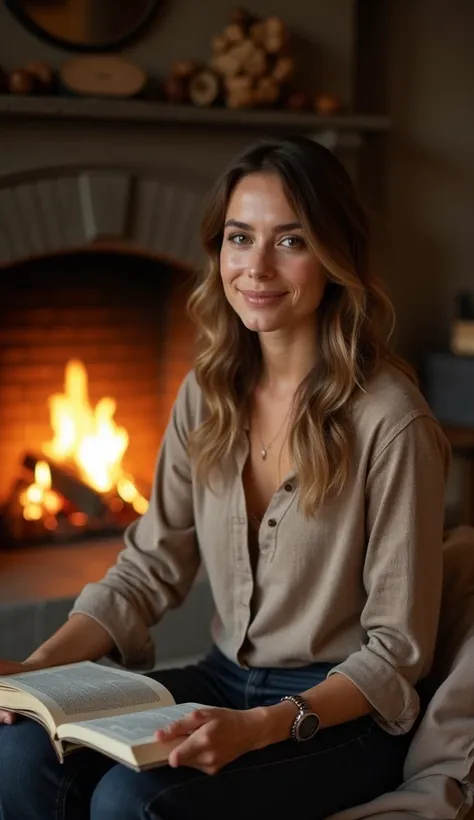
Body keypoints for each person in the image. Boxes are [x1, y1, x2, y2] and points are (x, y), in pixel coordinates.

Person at [0, 136, 451, 820]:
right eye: (240, 237)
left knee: (133, 802)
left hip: (337, 714)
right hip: (221, 677)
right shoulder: (208, 392)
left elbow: (396, 654)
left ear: (335, 255)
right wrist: (37, 674)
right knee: (21, 755)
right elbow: (149, 568)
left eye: (291, 241)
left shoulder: (393, 422)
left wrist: (264, 726)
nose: (257, 267)